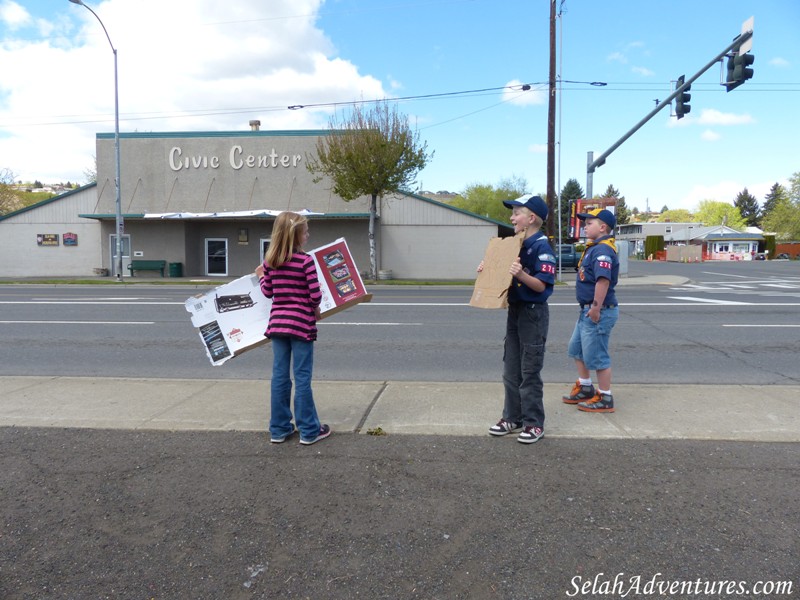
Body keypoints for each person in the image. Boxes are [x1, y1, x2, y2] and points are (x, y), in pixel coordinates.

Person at [482, 194, 556, 444]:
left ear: (531, 218)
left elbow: (540, 286)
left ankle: (534, 423)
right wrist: (489, 269)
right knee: (510, 368)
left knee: (529, 370)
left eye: (516, 213)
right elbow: (504, 277)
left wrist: (522, 274)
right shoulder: (515, 244)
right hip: (515, 311)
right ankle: (512, 417)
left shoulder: (541, 247)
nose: (511, 217)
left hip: (533, 312)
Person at [256, 211, 331, 445]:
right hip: (301, 324)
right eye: (305, 232)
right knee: (302, 377)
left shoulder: (270, 262)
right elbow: (315, 295)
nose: (308, 235)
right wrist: (315, 307)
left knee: (279, 376)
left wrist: (261, 276)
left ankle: (278, 429)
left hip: (278, 324)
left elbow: (268, 292)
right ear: (295, 235)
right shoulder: (306, 261)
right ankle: (309, 430)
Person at [562, 208, 619, 413]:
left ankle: (605, 397)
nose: (584, 226)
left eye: (589, 223)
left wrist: (596, 308)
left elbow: (603, 281)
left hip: (598, 310)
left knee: (598, 356)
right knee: (576, 349)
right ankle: (585, 387)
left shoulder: (603, 250)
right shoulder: (594, 248)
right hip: (587, 311)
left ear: (602, 227)